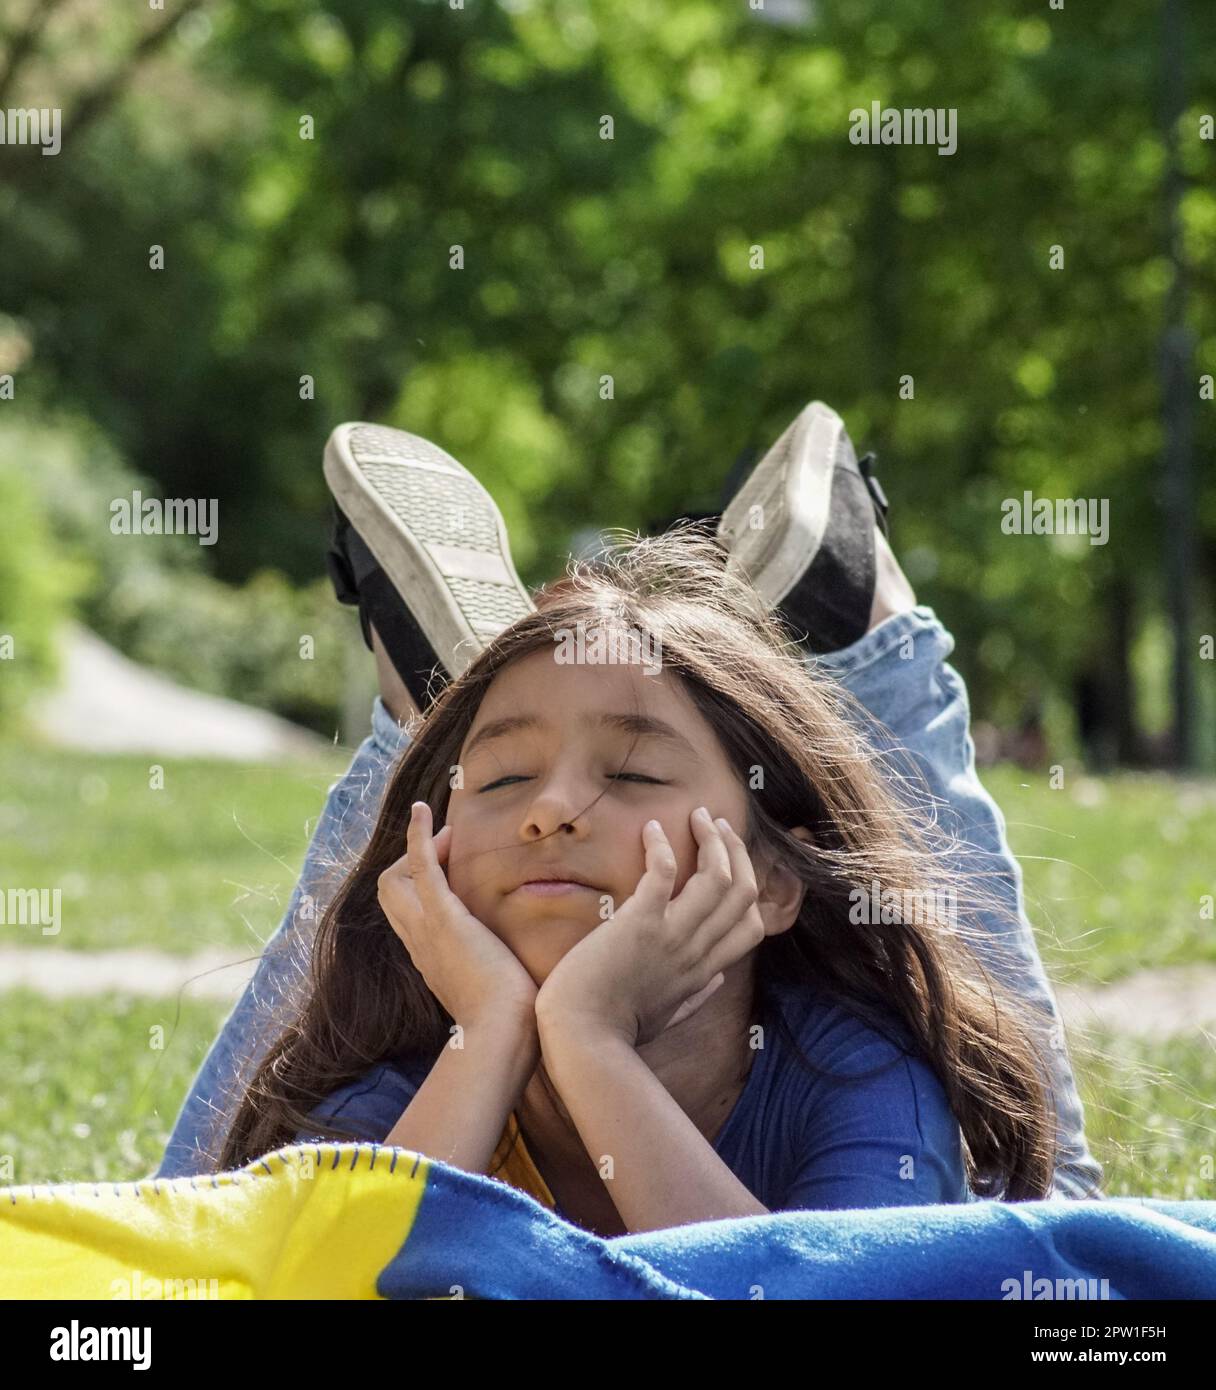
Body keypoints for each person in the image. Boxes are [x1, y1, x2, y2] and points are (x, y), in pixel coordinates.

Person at [155, 402, 1104, 1235]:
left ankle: (860, 643)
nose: (553, 809)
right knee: (190, 1244)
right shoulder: (396, 1100)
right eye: (499, 778)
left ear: (770, 879)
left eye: (638, 773)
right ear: (429, 867)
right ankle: (430, 719)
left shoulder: (867, 1083)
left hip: (963, 1203)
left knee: (1041, 1211)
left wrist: (589, 1041)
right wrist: (488, 1030)